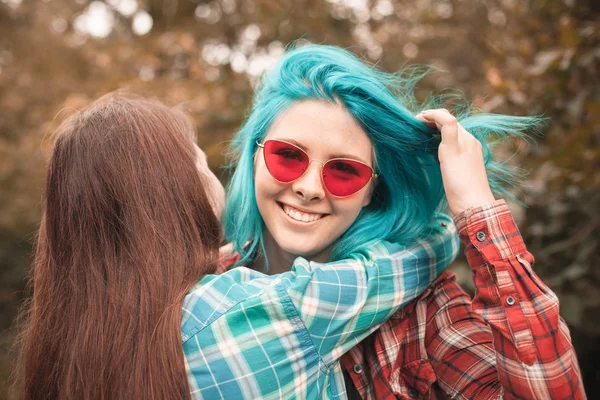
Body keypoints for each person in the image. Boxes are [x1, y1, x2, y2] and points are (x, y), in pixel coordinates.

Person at [11, 93, 457, 400]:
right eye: (197, 160)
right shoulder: (244, 314)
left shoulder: (65, 344)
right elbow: (413, 255)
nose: (212, 172)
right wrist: (451, 203)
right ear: (168, 195)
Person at [223, 44, 586, 399]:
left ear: (371, 191)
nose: (308, 188)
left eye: (344, 170)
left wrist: (477, 208)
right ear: (255, 159)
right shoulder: (195, 280)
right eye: (287, 155)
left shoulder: (420, 311)